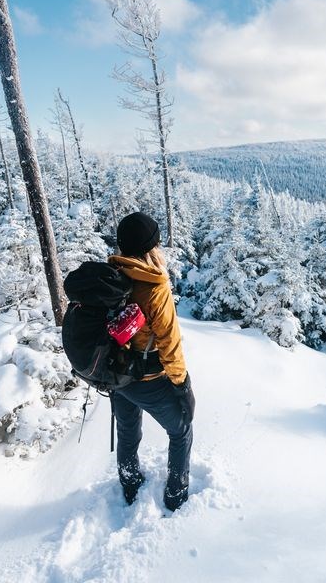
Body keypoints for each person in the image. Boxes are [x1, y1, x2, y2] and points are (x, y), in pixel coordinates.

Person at [108, 211, 195, 511]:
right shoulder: (155, 287)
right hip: (148, 380)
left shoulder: (113, 276)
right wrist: (183, 386)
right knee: (181, 428)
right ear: (150, 249)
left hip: (118, 377)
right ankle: (175, 495)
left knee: (128, 433)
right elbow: (170, 345)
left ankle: (130, 484)